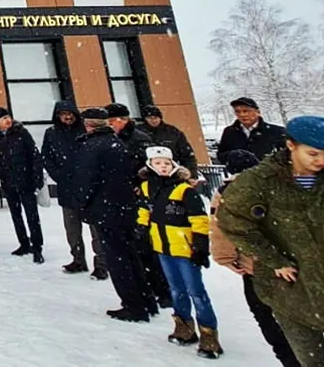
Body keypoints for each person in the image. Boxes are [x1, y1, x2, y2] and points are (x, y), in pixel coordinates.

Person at [217, 115, 324, 367]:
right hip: (289, 290)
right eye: (313, 154)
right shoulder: (259, 182)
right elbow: (232, 221)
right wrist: (274, 259)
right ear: (291, 145)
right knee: (313, 361)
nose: (322, 161)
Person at [209, 149, 301, 367]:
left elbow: (220, 228)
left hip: (255, 266)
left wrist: (225, 258)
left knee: (266, 317)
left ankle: (291, 360)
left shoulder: (227, 192)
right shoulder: (275, 186)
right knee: (297, 319)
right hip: (287, 263)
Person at [137, 145, 222, 358]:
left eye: (167, 163)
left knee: (196, 292)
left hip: (185, 249)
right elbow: (144, 209)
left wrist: (200, 246)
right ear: (150, 165)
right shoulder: (147, 187)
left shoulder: (184, 190)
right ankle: (183, 327)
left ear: (173, 165)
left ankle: (209, 334)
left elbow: (199, 219)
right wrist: (141, 229)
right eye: (158, 163)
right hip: (162, 247)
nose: (163, 167)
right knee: (176, 289)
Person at [75, 107, 157, 323]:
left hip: (106, 209)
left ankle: (133, 306)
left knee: (118, 258)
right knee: (130, 255)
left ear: (88, 125)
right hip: (125, 207)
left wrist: (82, 203)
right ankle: (146, 300)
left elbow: (86, 180)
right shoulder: (116, 143)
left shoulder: (92, 146)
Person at [109, 102, 173, 309]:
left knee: (148, 246)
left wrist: (138, 185)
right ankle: (151, 287)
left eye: (112, 120)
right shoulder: (116, 139)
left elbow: (149, 169)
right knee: (137, 246)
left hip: (142, 200)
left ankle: (163, 290)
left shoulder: (139, 140)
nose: (110, 124)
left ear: (122, 120)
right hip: (127, 199)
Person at [42, 100, 105, 277]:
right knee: (72, 229)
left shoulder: (86, 130)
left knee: (96, 229)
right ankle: (78, 260)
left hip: (89, 188)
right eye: (63, 114)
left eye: (70, 114)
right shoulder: (51, 133)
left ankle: (101, 264)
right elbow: (46, 156)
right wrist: (59, 175)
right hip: (66, 188)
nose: (67, 117)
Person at [0, 106, 45, 263]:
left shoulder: (21, 132)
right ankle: (23, 243)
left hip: (26, 179)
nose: (7, 120)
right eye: (3, 118)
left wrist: (37, 175)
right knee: (16, 215)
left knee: (32, 215)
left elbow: (34, 154)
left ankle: (37, 247)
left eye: (8, 117)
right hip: (8, 181)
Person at [216, 97, 287, 165]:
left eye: (246, 111)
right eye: (237, 112)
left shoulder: (276, 131)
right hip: (239, 172)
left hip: (269, 172)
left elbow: (287, 155)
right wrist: (233, 156)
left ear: (258, 112)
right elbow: (221, 155)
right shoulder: (229, 132)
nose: (242, 115)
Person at [141, 106, 199, 177]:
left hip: (172, 173)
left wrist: (192, 174)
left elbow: (187, 155)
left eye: (156, 117)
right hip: (147, 175)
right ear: (145, 119)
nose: (153, 120)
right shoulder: (138, 133)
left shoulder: (173, 132)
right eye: (150, 118)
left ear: (160, 118)